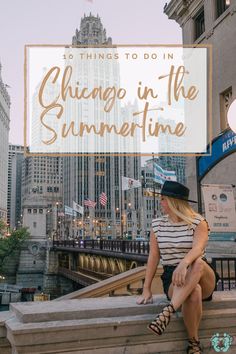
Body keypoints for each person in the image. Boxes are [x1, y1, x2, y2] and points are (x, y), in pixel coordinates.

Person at [137, 181, 219, 354]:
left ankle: (168, 310)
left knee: (198, 262)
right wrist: (146, 288)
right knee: (193, 291)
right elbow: (153, 256)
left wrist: (183, 264)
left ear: (174, 202)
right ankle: (194, 344)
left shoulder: (199, 222)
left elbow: (198, 248)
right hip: (174, 278)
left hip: (201, 273)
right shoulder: (157, 225)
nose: (160, 202)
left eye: (163, 199)